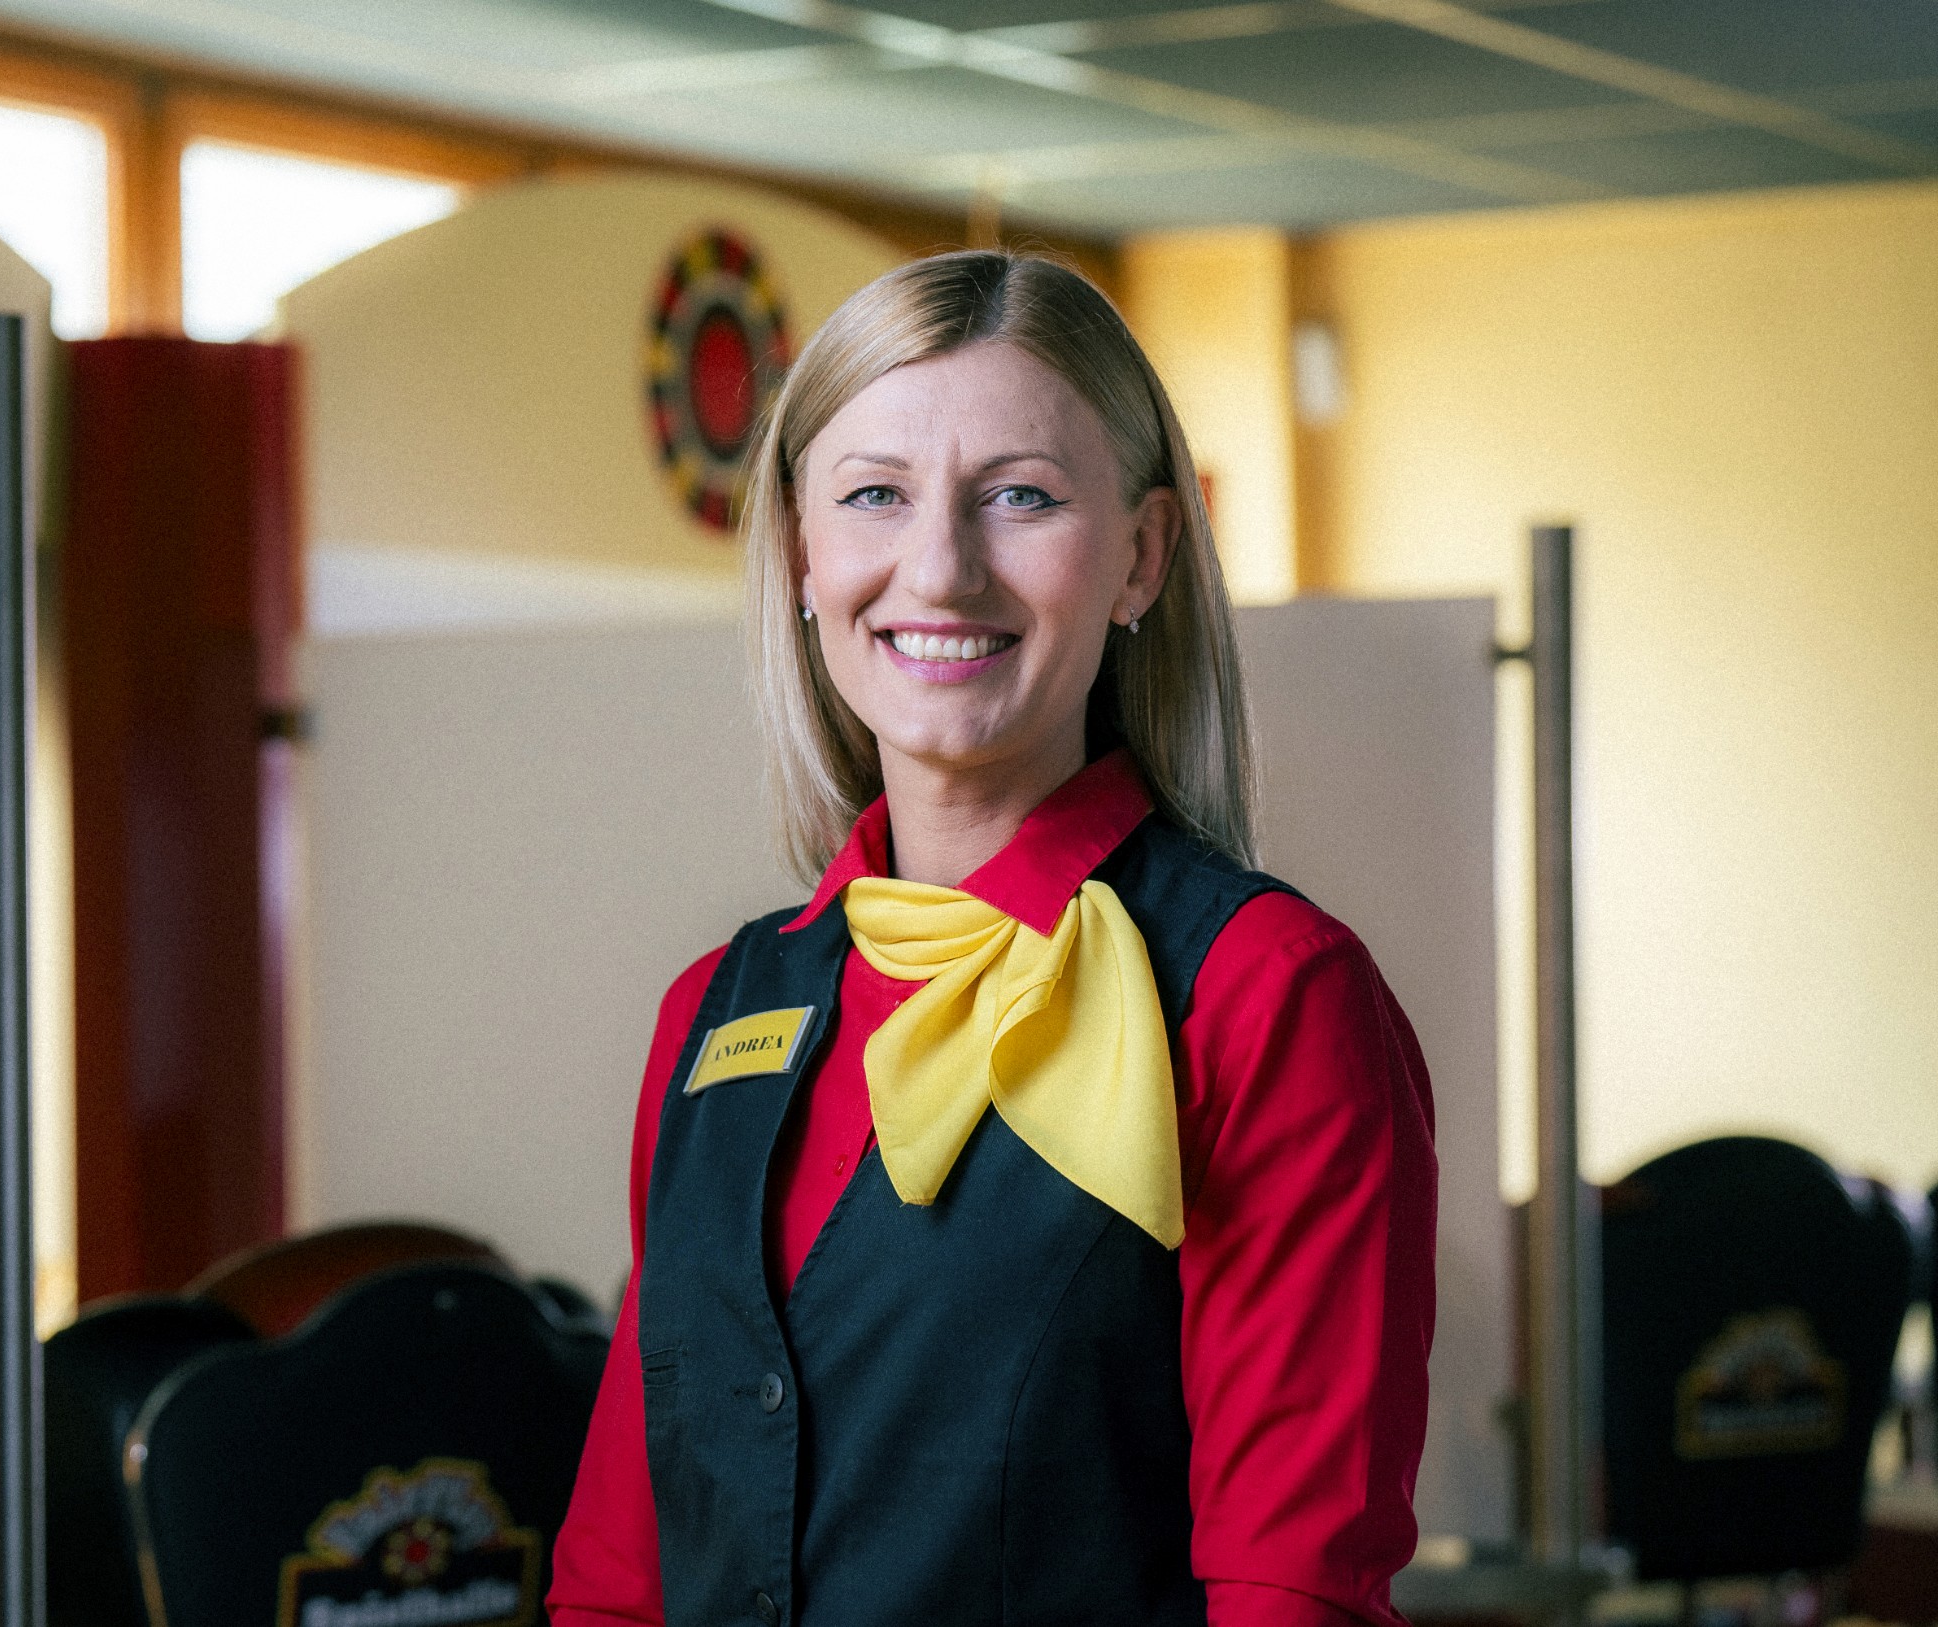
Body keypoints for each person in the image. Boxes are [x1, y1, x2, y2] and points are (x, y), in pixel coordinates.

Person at [546, 250, 1437, 1627]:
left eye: (1021, 496)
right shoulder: (715, 1010)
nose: (941, 568)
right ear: (799, 551)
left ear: (1141, 554)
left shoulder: (1267, 997)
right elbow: (619, 1575)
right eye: (873, 497)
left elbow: (1293, 1593)